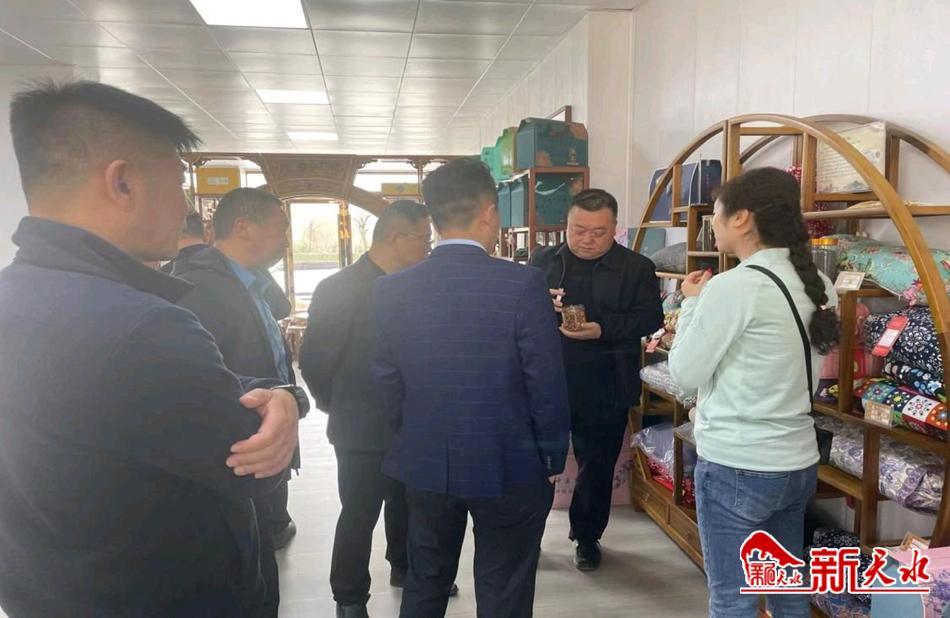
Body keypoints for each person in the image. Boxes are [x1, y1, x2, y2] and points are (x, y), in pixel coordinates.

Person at [0, 80, 307, 618]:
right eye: (178, 184)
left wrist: (275, 393)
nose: (187, 208)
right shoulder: (142, 326)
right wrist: (283, 405)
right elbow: (249, 463)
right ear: (122, 183)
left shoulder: (16, 295)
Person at [375, 159, 571, 618]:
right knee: (505, 587)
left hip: (426, 461)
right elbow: (545, 381)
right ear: (488, 213)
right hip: (510, 461)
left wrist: (411, 436)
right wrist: (551, 457)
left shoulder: (391, 290)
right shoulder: (523, 283)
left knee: (425, 580)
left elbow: (385, 381)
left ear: (434, 218)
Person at [668, 167, 840, 617]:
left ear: (742, 218)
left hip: (737, 463)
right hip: (796, 461)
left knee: (733, 598)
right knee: (786, 591)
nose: (713, 224)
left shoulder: (734, 287)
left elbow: (685, 373)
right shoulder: (820, 285)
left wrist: (690, 304)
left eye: (717, 214)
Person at [300, 200, 459, 618]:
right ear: (394, 238)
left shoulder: (421, 286)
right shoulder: (340, 287)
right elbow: (315, 361)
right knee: (359, 512)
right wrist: (336, 403)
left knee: (411, 504)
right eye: (423, 240)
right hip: (360, 425)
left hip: (414, 422)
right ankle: (350, 596)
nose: (427, 249)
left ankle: (405, 567)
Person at [173, 187, 299, 618]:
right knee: (249, 569)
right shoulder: (200, 289)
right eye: (281, 228)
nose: (286, 240)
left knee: (263, 557)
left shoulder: (251, 284)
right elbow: (205, 381)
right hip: (235, 456)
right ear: (244, 227)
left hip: (261, 443)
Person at [530, 189, 664, 571]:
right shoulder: (542, 260)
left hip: (607, 381)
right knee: (538, 463)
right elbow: (518, 314)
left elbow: (650, 318)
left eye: (598, 232)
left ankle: (587, 538)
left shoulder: (636, 267)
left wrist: (602, 328)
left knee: (597, 465)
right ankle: (528, 535)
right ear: (566, 225)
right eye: (578, 230)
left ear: (615, 228)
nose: (587, 239)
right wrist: (541, 304)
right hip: (549, 381)